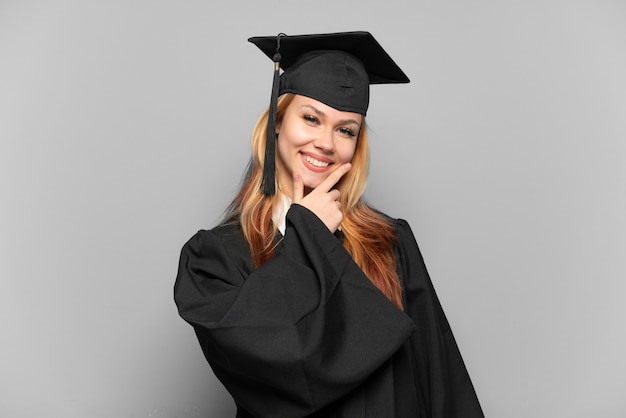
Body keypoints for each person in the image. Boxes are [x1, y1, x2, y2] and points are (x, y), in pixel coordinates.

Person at [174, 31, 483, 418]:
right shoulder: (217, 256)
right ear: (277, 123)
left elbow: (439, 380)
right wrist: (309, 232)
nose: (325, 142)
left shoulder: (389, 242)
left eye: (345, 129)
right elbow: (261, 364)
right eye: (311, 118)